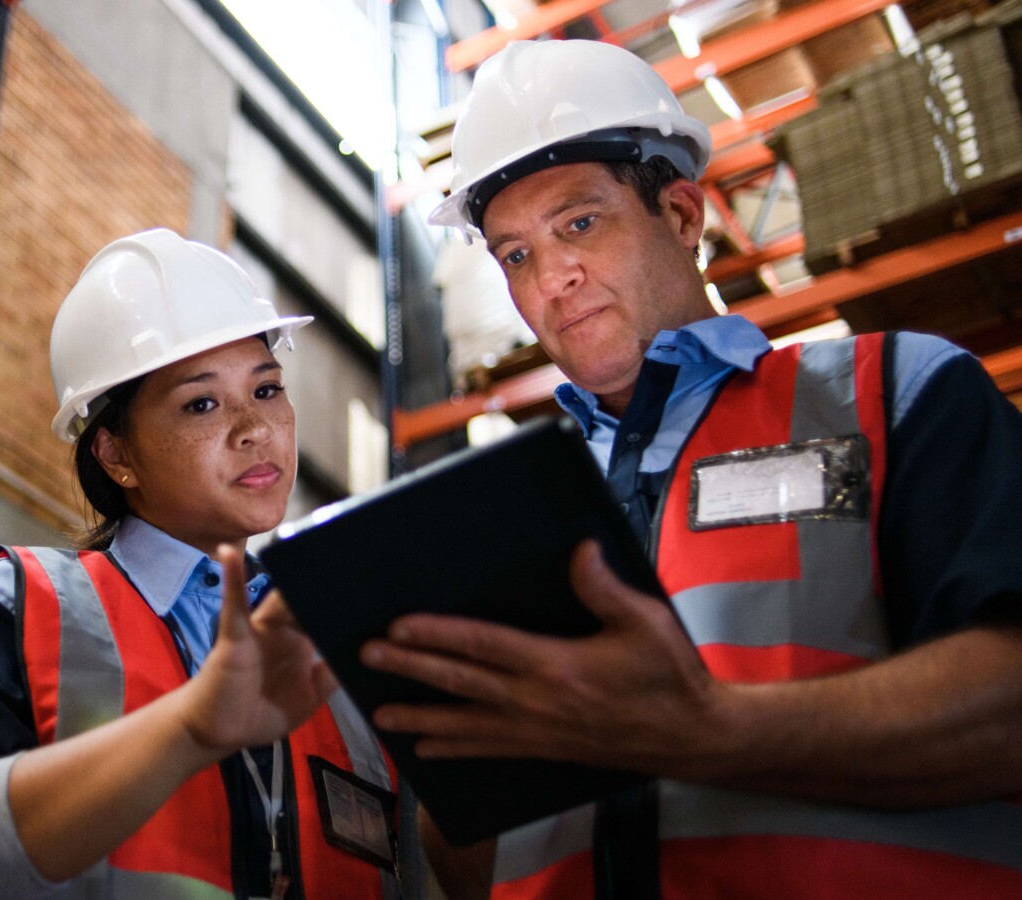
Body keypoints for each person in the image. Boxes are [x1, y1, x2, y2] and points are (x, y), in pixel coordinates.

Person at [361, 39, 1022, 899]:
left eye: (579, 223)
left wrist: (714, 732)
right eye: (515, 255)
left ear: (680, 216)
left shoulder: (890, 392)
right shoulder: (504, 519)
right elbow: (468, 862)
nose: (553, 279)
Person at [0, 228, 403, 899]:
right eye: (201, 403)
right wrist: (185, 730)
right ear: (116, 454)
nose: (255, 429)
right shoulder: (21, 606)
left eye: (267, 389)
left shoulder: (340, 641)